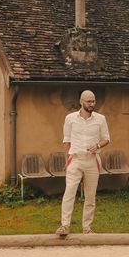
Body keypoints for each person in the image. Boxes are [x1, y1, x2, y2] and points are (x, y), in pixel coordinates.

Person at [55, 90, 110, 236]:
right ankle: (64, 226)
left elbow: (106, 138)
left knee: (90, 197)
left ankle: (87, 228)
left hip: (92, 160)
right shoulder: (70, 118)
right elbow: (66, 140)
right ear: (81, 101)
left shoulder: (100, 119)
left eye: (93, 101)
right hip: (76, 159)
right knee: (69, 193)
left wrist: (98, 145)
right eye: (88, 101)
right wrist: (69, 159)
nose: (91, 104)